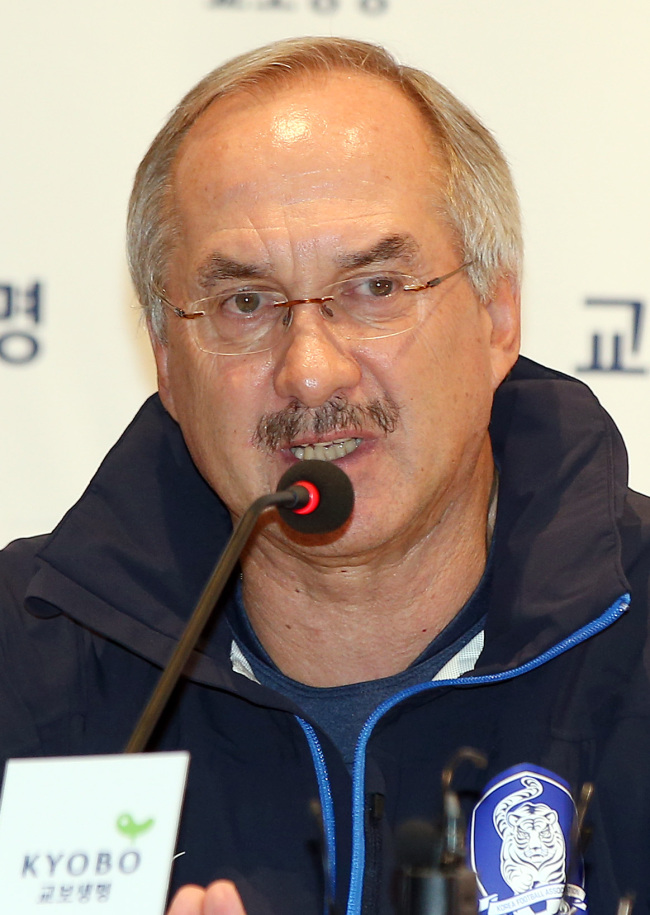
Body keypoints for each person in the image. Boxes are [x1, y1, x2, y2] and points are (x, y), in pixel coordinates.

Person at [1, 36, 649, 915]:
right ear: (165, 357)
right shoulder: (25, 661)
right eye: (245, 303)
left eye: (376, 286)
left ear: (498, 314)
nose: (310, 371)